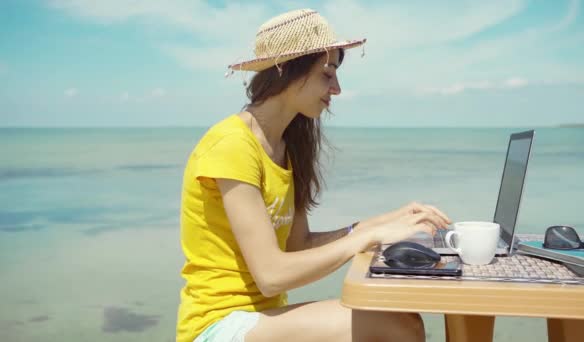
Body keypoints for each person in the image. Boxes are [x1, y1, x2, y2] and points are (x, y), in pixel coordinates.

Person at [176, 8, 451, 342]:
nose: (336, 88)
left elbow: (299, 245)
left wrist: (388, 221)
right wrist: (366, 240)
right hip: (218, 326)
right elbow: (272, 275)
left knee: (402, 318)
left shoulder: (286, 146)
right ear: (287, 72)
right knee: (396, 325)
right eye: (327, 73)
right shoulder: (232, 145)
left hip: (263, 318)